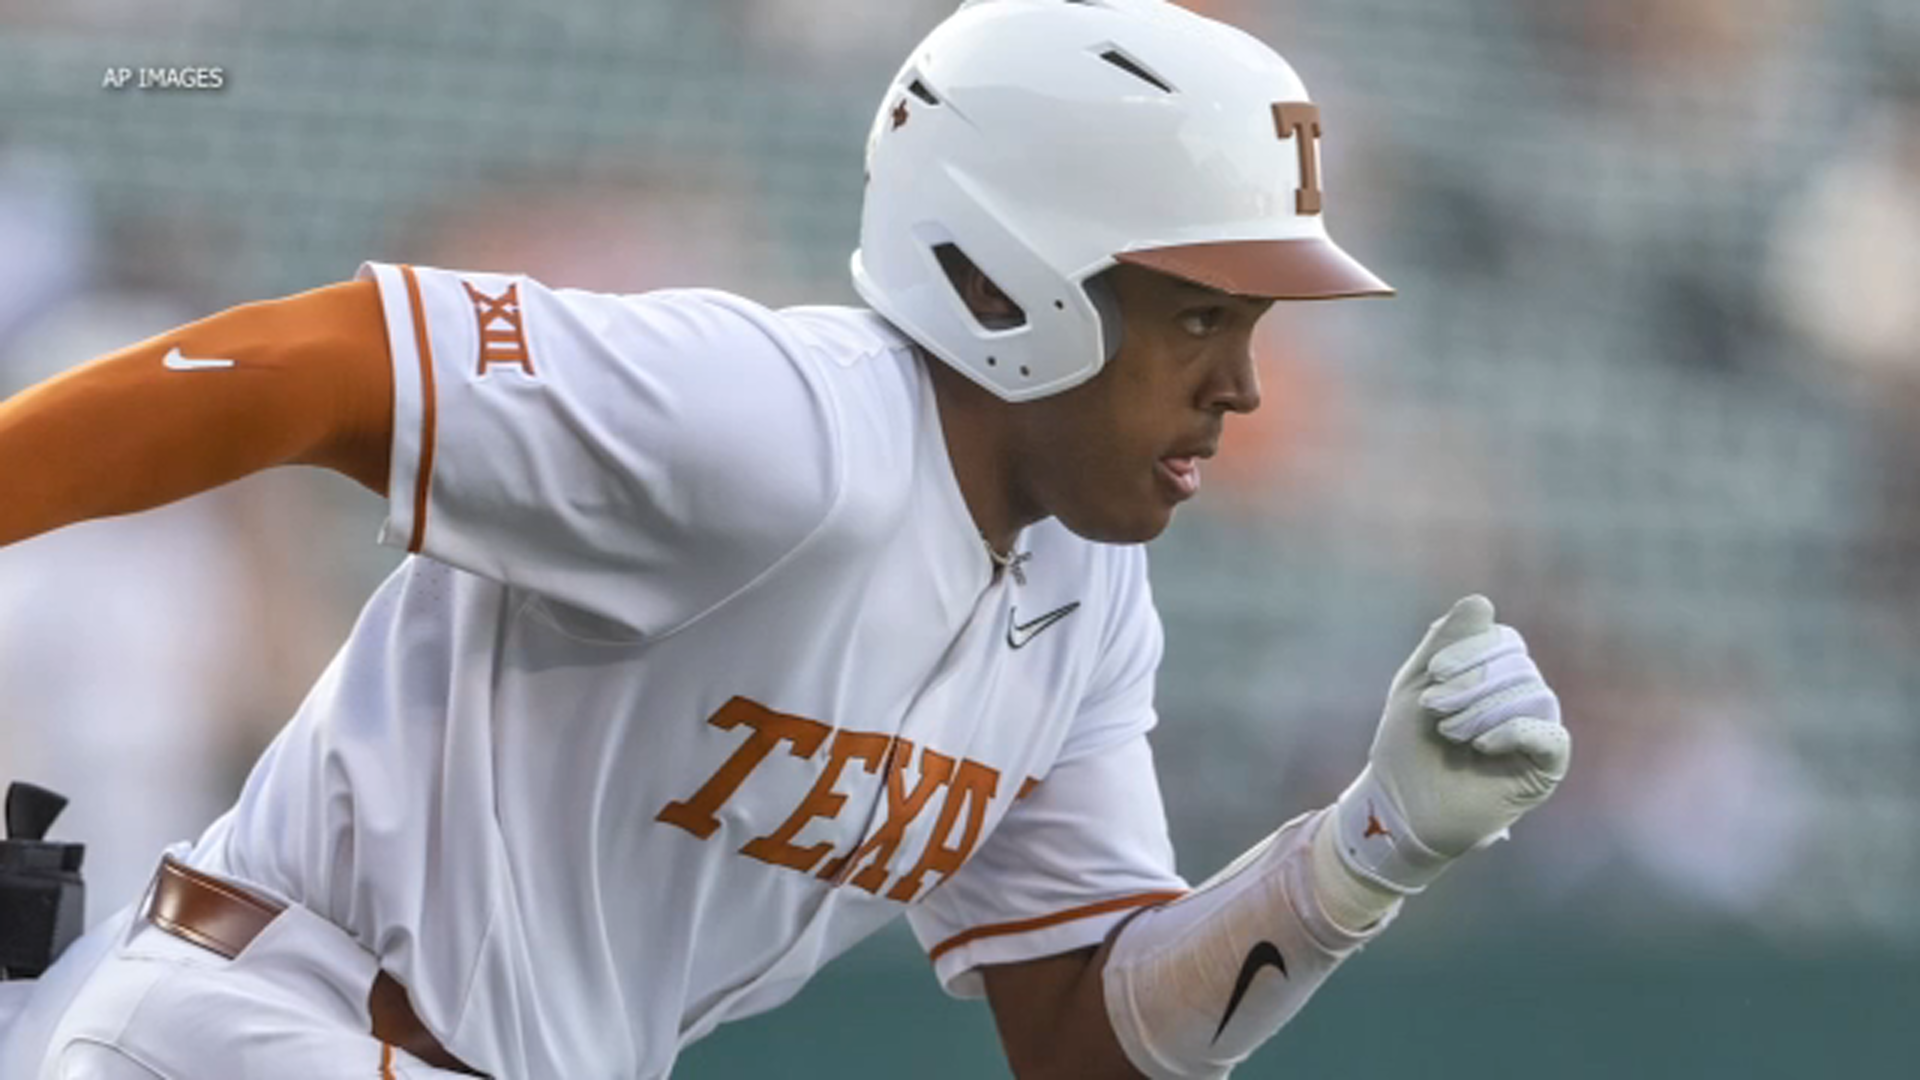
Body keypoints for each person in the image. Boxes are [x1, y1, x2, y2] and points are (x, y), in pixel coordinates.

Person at [0, 1, 1571, 1077]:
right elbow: (316, 361)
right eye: (1200, 317)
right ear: (1009, 280)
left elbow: (1084, 1035)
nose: (1241, 385)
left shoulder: (1089, 598)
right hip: (275, 1027)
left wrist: (1363, 855)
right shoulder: (782, 421)